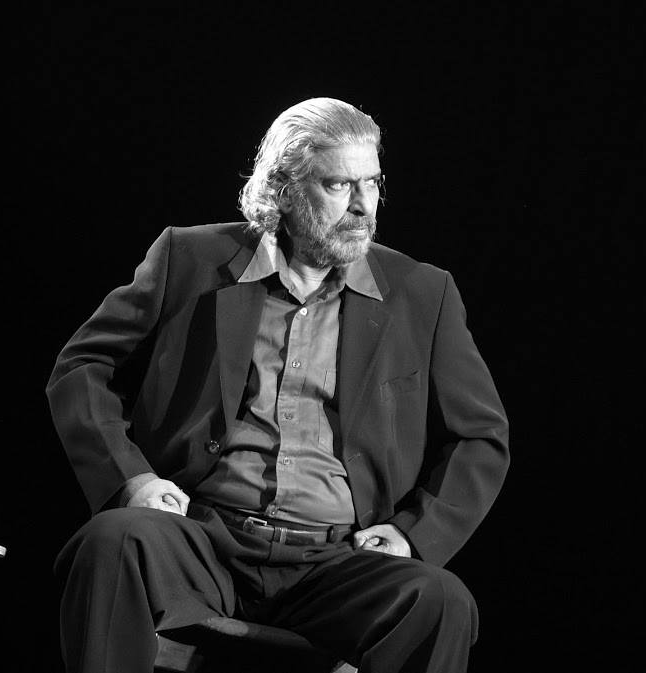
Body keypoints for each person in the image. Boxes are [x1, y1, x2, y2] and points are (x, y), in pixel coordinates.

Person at [46, 97, 509, 673]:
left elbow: (481, 435)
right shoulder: (191, 258)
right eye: (339, 185)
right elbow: (83, 365)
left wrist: (414, 533)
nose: (363, 205)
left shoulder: (422, 292)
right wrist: (131, 478)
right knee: (113, 541)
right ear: (284, 191)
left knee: (439, 602)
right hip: (202, 536)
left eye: (372, 182)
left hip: (336, 560)